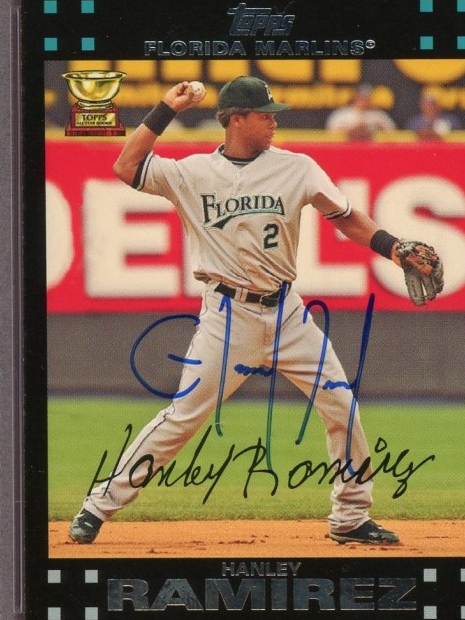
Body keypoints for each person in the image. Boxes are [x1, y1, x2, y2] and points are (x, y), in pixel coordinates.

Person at [69, 77, 442, 547]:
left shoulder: (296, 167)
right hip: (228, 316)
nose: (273, 121)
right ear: (236, 119)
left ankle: (350, 516)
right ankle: (98, 506)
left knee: (341, 405)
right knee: (183, 417)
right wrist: (166, 108)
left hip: (288, 314)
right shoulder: (192, 173)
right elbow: (126, 166)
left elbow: (345, 216)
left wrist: (392, 247)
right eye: (264, 114)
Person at [326, 83, 396, 141]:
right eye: (361, 97)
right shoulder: (341, 114)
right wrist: (351, 130)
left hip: (371, 150)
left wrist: (378, 128)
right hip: (345, 150)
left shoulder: (378, 115)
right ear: (355, 97)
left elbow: (393, 134)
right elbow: (329, 135)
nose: (364, 101)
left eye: (366, 98)